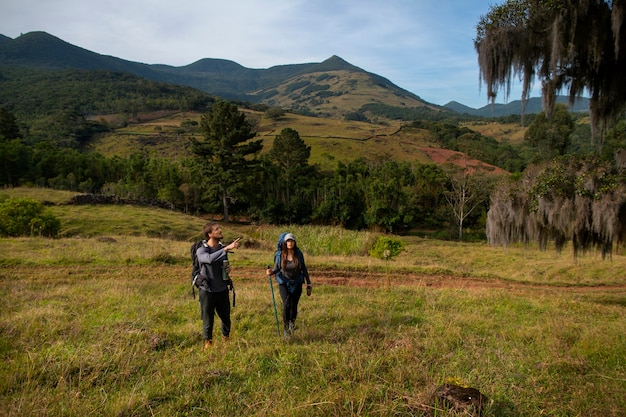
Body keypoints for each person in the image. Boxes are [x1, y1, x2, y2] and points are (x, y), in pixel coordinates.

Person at [196, 222, 240, 349]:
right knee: (208, 318)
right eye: (217, 229)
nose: (220, 230)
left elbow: (222, 263)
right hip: (207, 290)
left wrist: (227, 269)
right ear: (209, 234)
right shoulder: (201, 249)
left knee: (226, 317)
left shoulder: (221, 248)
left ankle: (226, 338)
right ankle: (208, 342)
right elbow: (208, 259)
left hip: (222, 288)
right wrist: (225, 249)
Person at [266, 233, 312, 338]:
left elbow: (303, 268)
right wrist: (271, 272)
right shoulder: (280, 254)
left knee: (294, 306)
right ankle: (286, 329)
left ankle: (292, 323)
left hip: (297, 282)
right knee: (286, 304)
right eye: (288, 241)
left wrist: (308, 282)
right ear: (284, 243)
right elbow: (277, 268)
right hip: (284, 282)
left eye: (291, 241)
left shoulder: (298, 254)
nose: (290, 243)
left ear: (294, 242)